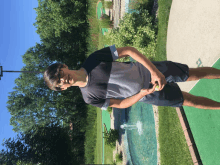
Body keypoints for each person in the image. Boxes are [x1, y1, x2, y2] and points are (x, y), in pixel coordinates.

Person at [43, 45, 220, 110]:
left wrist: (153, 71)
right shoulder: (89, 97)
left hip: (152, 70)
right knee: (190, 101)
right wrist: (141, 95)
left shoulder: (93, 59)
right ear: (63, 89)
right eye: (59, 83)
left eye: (60, 74)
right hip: (150, 94)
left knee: (194, 74)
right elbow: (119, 104)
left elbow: (128, 50)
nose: (63, 79)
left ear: (64, 66)